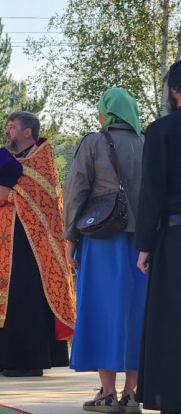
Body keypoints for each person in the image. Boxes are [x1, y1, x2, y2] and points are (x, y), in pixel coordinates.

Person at [62, 88, 146, 412]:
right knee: (134, 315)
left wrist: (71, 237)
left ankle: (107, 394)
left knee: (101, 313)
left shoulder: (95, 142)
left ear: (107, 112)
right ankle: (132, 394)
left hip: (101, 242)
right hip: (141, 247)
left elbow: (76, 191)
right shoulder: (145, 143)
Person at [0, 111, 76, 377]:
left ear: (27, 132)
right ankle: (1, 355)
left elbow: (47, 203)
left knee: (25, 296)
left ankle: (29, 360)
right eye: (7, 127)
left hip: (31, 246)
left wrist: (13, 194)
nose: (7, 132)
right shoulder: (10, 159)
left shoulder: (42, 159)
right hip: (4, 242)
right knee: (5, 296)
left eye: (12, 128)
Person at [135, 60, 181, 413]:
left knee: (172, 320)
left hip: (175, 239)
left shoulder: (163, 129)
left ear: (174, 91)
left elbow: (151, 191)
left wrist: (144, 246)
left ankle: (172, 398)